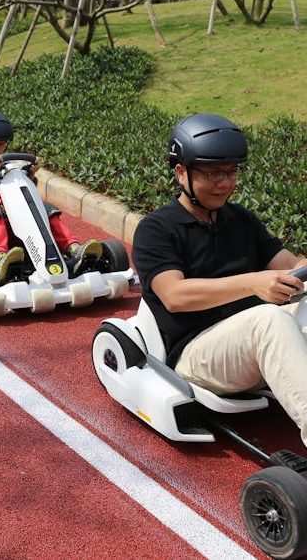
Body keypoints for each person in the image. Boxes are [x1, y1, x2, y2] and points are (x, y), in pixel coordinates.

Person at [132, 112, 307, 446]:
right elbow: (174, 295)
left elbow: (291, 265)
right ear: (181, 172)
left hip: (252, 341)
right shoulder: (156, 229)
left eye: (230, 172)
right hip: (195, 353)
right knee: (267, 319)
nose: (225, 183)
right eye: (212, 173)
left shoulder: (241, 219)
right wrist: (253, 282)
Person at [0, 110, 103, 285]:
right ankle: (0, 259)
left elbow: (25, 191)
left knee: (45, 208)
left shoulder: (12, 167)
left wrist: (30, 172)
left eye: (0, 144)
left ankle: (74, 248)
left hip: (19, 225)